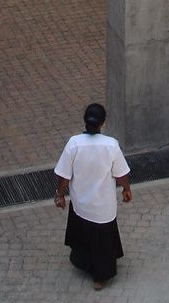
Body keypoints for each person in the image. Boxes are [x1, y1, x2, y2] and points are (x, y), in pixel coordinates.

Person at [54, 103, 132, 290]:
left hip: (81, 205)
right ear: (102, 123)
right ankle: (100, 277)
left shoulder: (74, 144)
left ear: (85, 120)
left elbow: (64, 176)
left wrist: (60, 195)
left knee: (83, 236)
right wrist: (126, 189)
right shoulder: (111, 145)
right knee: (102, 242)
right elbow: (121, 175)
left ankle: (84, 263)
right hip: (103, 208)